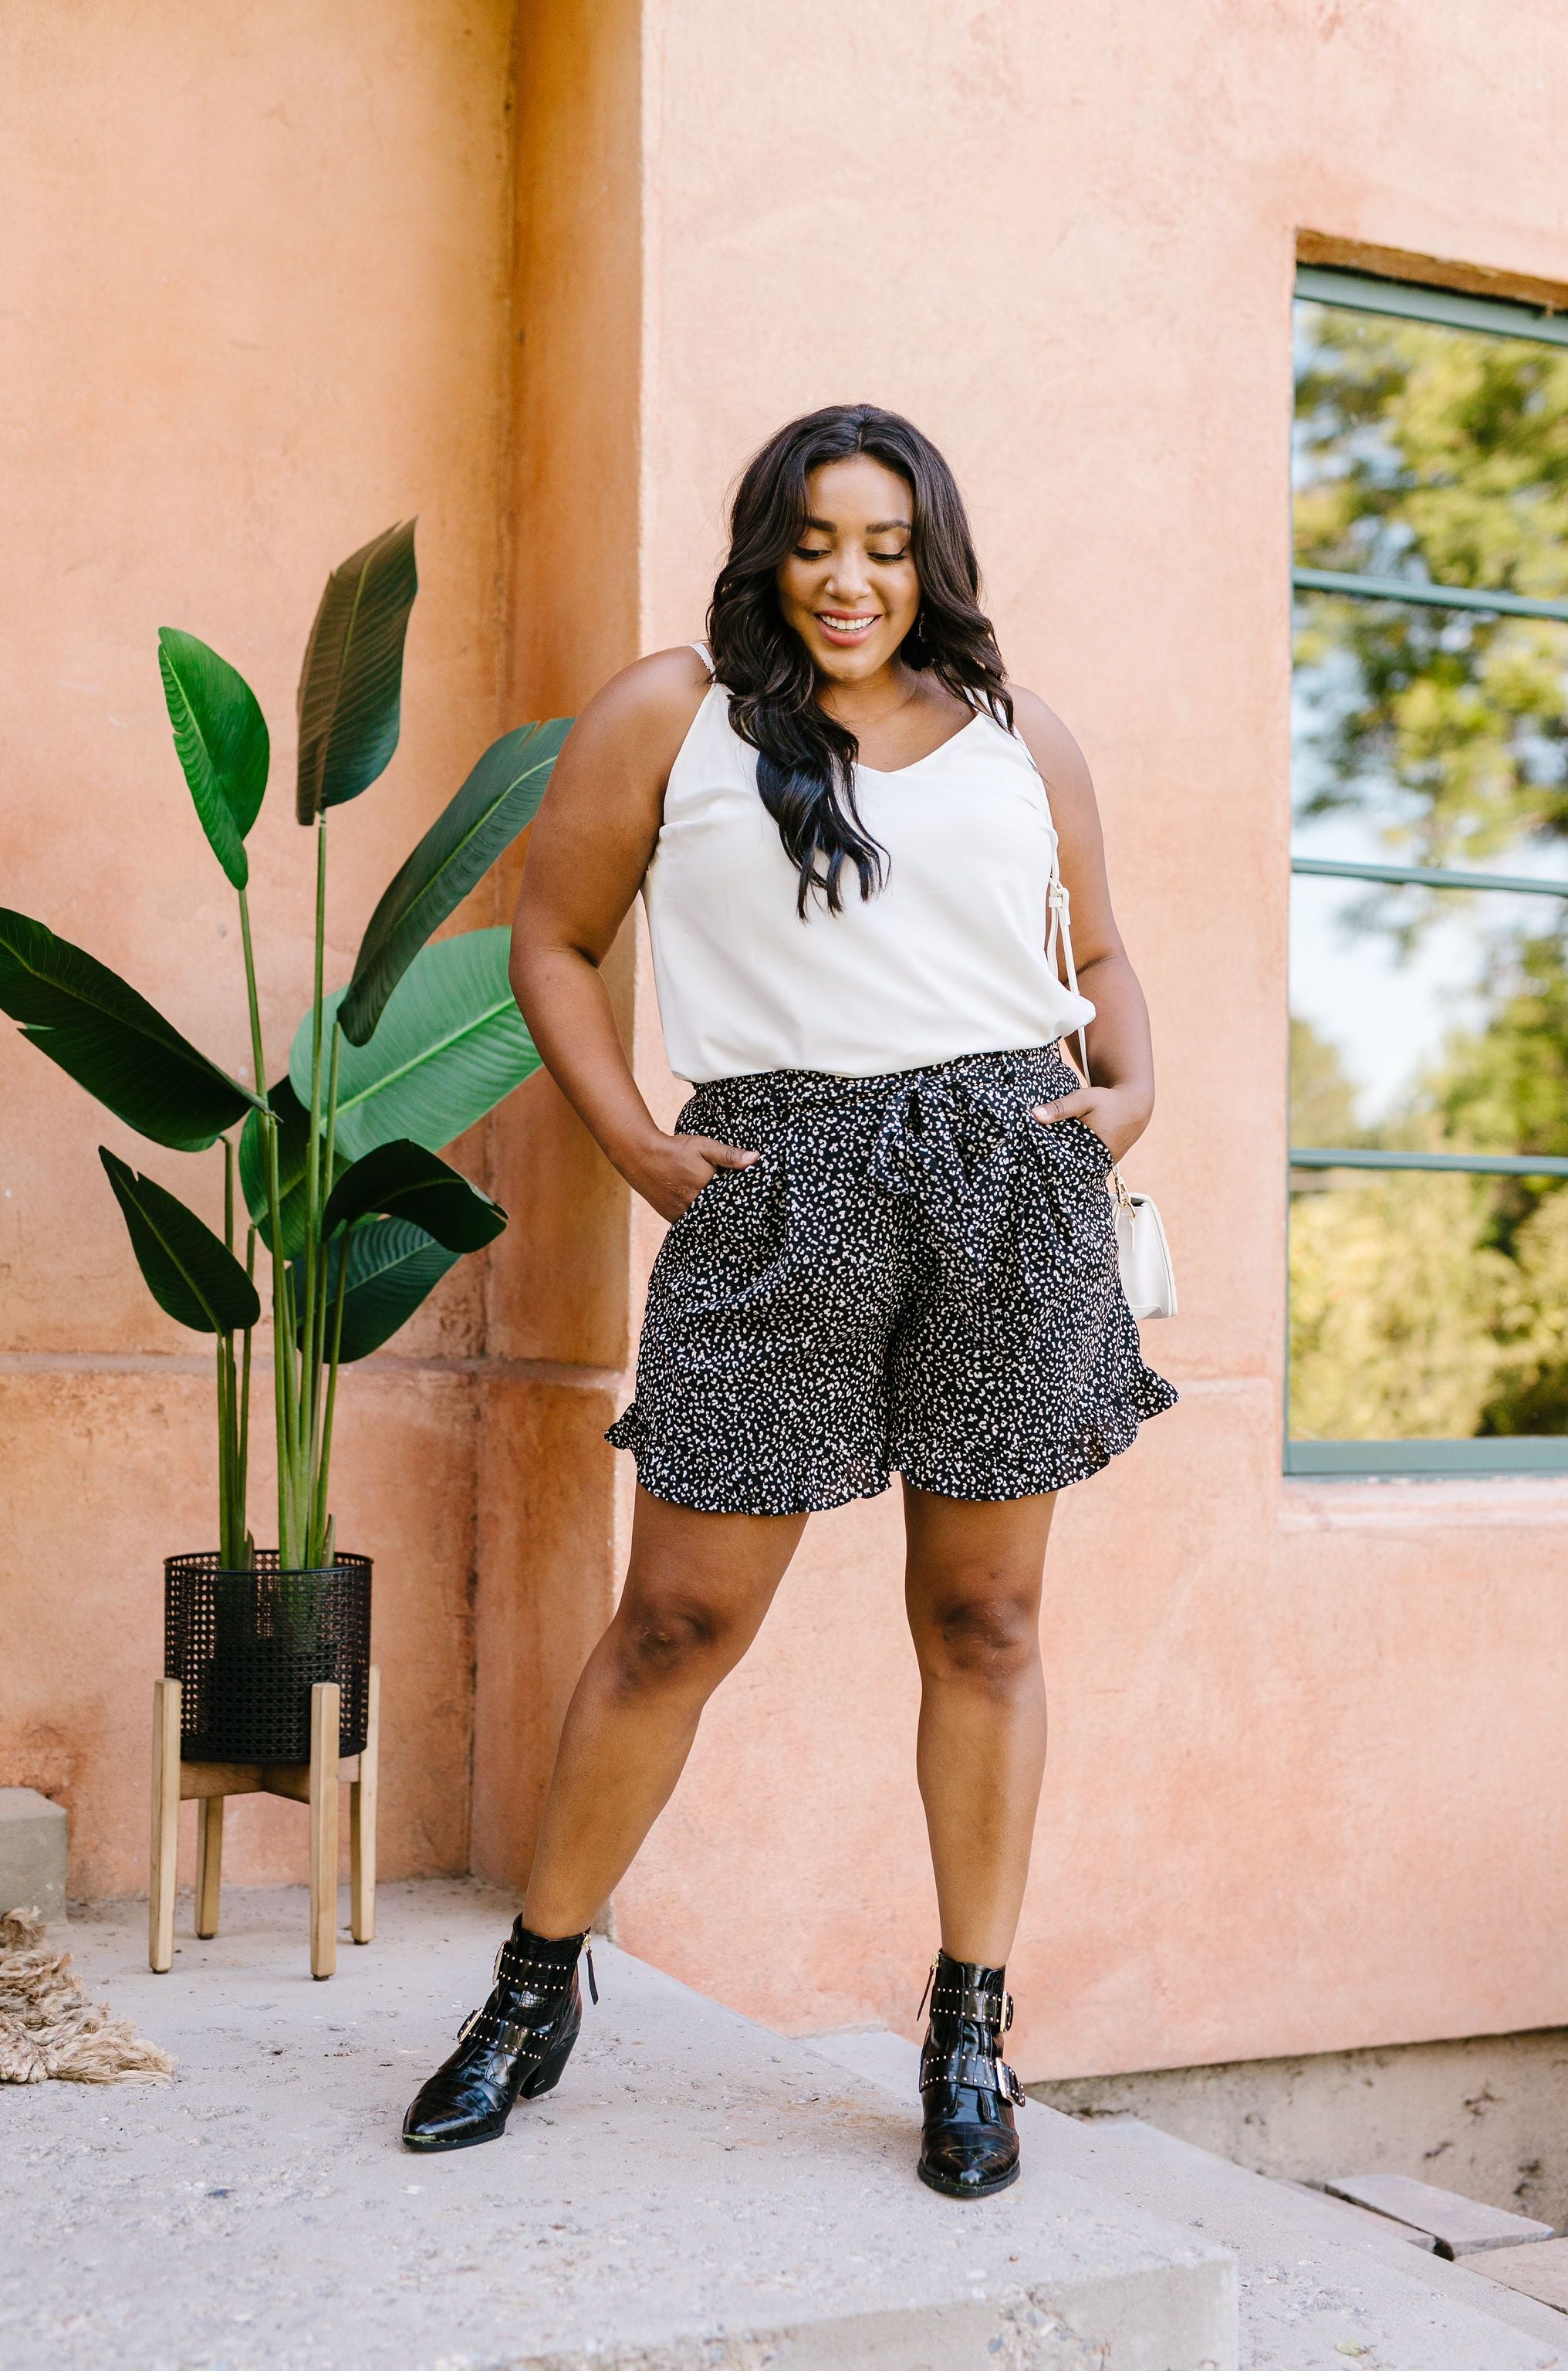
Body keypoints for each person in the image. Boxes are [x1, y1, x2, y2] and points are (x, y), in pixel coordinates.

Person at [401, 403, 1177, 2197]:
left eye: (887, 546)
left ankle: (969, 2027)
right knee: (674, 1619)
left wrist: (1128, 1095)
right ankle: (533, 1991)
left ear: (934, 562)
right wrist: (632, 1149)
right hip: (774, 1187)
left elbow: (1101, 952)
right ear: (767, 546)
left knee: (984, 1626)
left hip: (1007, 1178)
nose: (851, 578)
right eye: (818, 540)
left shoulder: (1014, 735)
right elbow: (551, 938)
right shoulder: (673, 713)